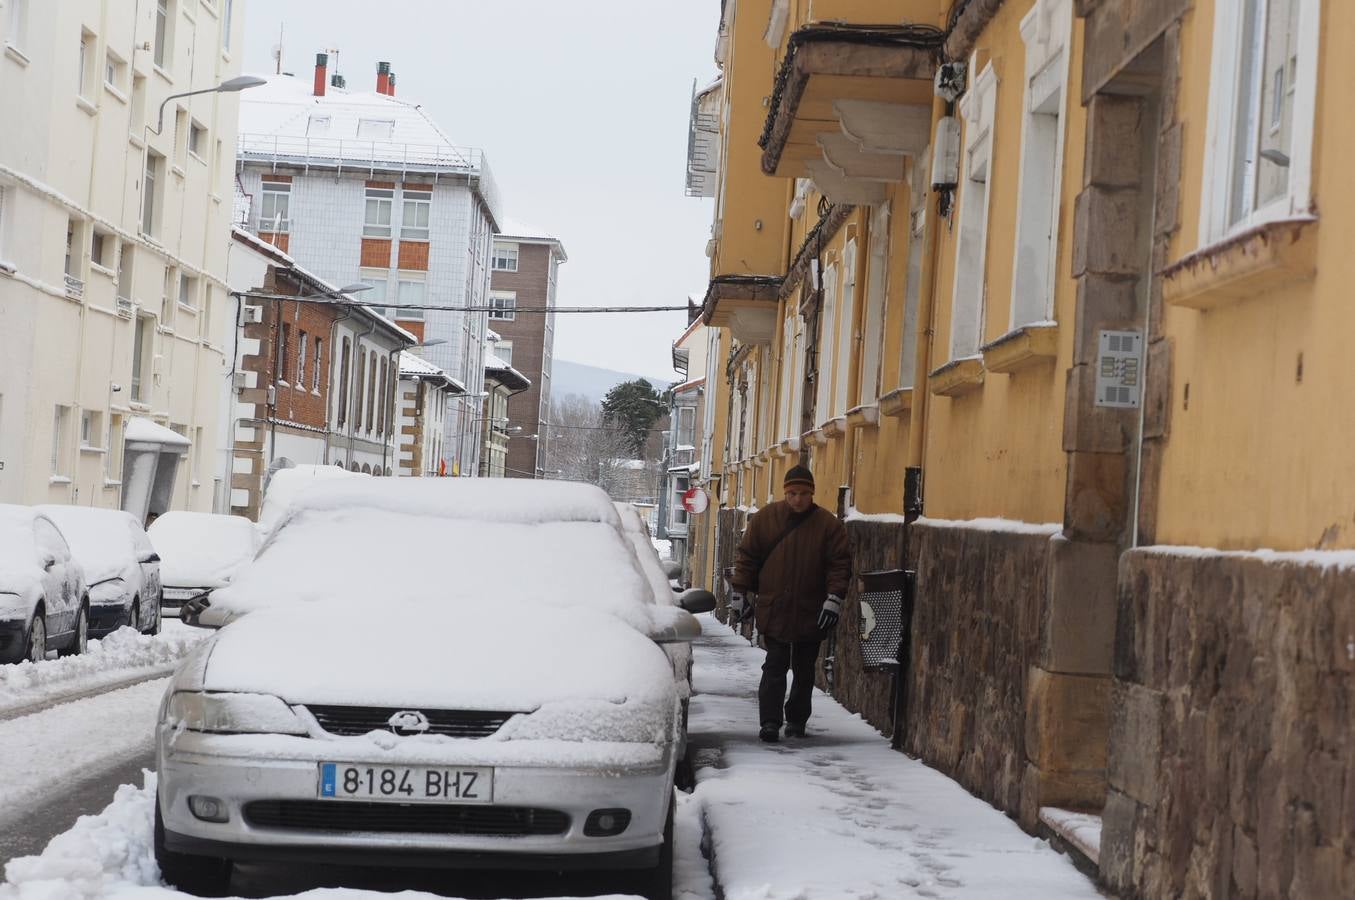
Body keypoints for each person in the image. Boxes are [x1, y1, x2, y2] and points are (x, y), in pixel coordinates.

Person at [728, 465, 851, 743]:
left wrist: (834, 598)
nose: (798, 499)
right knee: (775, 666)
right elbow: (747, 557)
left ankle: (796, 720)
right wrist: (739, 593)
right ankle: (770, 722)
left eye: (804, 493)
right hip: (776, 607)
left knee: (805, 669)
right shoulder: (765, 520)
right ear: (785, 492)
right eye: (793, 493)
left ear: (812, 494)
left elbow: (839, 565)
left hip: (812, 609)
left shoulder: (828, 526)